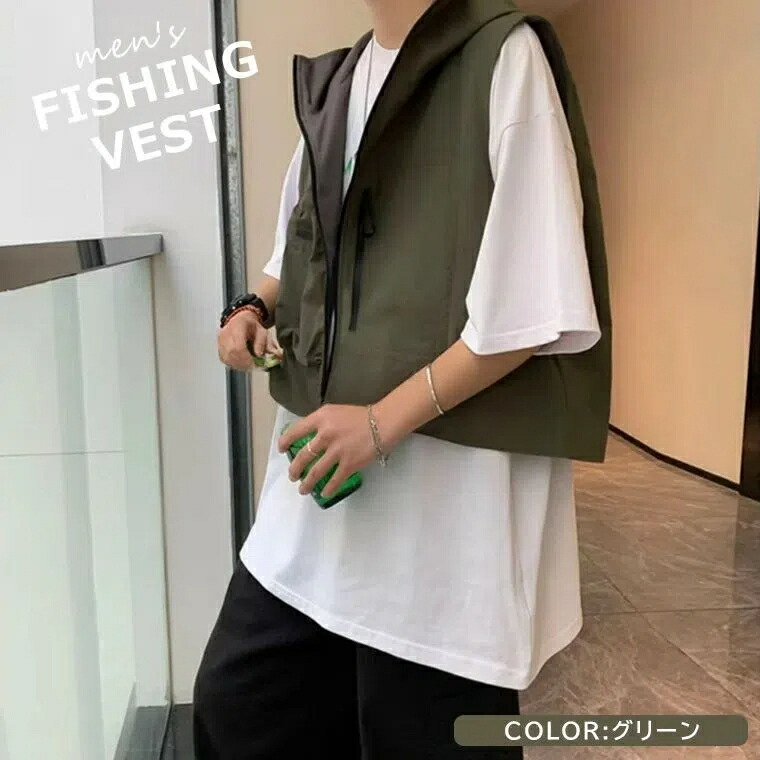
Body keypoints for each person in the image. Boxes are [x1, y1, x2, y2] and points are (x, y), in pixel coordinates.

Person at [194, 0, 611, 757]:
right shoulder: (340, 82)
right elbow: (298, 246)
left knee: (421, 728)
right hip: (319, 493)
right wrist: (251, 309)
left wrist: (379, 423)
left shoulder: (504, 57)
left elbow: (532, 306)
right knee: (242, 710)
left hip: (444, 517)